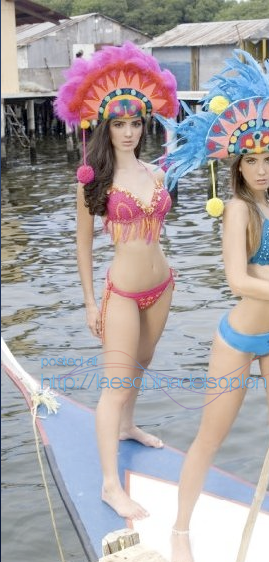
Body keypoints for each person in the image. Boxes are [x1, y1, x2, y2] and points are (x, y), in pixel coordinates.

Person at [162, 50, 269, 562]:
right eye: (251, 160)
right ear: (236, 164)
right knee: (210, 437)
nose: (261, 169)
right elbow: (239, 282)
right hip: (239, 340)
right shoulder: (237, 209)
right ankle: (180, 529)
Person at [55, 42, 179, 519]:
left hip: (162, 286)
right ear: (105, 127)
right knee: (116, 382)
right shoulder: (93, 179)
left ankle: (128, 426)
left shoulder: (157, 173)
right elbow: (83, 246)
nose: (129, 132)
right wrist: (91, 302)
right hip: (122, 293)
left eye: (136, 123)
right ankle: (110, 484)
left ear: (145, 125)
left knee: (142, 364)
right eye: (119, 124)